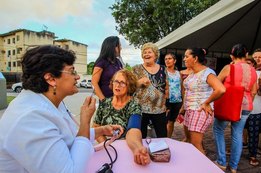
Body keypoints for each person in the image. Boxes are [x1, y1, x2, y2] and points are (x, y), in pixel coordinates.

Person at [0, 45, 123, 173]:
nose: (77, 77)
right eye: (72, 72)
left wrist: (102, 130)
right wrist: (85, 120)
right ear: (51, 79)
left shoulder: (49, 102)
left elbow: (70, 136)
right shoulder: (30, 118)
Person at [213, 44, 257, 173]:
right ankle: (233, 166)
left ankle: (221, 161)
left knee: (218, 129)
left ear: (231, 56)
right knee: (237, 134)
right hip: (246, 105)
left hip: (229, 105)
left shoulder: (229, 67)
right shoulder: (252, 70)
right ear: (246, 55)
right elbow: (254, 91)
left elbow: (216, 83)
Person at [93, 69, 151, 165]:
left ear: (130, 87)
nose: (118, 85)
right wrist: (106, 145)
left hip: (125, 150)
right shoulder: (104, 103)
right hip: (104, 149)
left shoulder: (133, 105)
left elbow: (133, 129)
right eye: (116, 81)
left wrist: (137, 147)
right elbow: (95, 126)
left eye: (122, 82)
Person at [180, 48, 225, 154]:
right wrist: (183, 107)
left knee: (196, 145)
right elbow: (188, 91)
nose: (184, 59)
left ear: (195, 58)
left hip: (199, 111)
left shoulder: (207, 73)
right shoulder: (193, 73)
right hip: (190, 110)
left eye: (187, 56)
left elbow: (221, 89)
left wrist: (206, 102)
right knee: (188, 140)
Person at [132, 42, 169, 138]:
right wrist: (139, 82)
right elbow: (129, 87)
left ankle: (161, 153)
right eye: (144, 52)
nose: (146, 54)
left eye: (149, 52)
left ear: (155, 55)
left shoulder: (163, 69)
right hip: (140, 109)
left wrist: (167, 104)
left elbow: (167, 87)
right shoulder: (136, 69)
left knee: (162, 136)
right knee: (141, 137)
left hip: (159, 109)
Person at [244, 56, 261, 166]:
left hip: (255, 110)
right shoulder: (238, 75)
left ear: (253, 65)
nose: (247, 65)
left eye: (249, 63)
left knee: (253, 134)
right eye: (245, 63)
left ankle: (253, 155)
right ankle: (236, 152)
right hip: (240, 110)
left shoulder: (260, 74)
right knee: (237, 133)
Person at [92, 36, 123, 101]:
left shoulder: (118, 62)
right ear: (112, 47)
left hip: (119, 99)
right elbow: (94, 82)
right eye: (119, 46)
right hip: (107, 99)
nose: (121, 48)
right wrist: (103, 100)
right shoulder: (101, 62)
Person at [164, 53, 183, 138]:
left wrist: (183, 102)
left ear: (174, 61)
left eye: (169, 58)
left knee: (171, 122)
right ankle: (162, 140)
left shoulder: (179, 74)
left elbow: (182, 88)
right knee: (164, 122)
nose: (167, 60)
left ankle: (168, 139)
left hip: (177, 101)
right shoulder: (162, 72)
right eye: (165, 59)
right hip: (166, 101)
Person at [180, 66, 193, 142]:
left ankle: (199, 143)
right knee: (185, 122)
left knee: (193, 125)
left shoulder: (196, 72)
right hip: (185, 97)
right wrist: (183, 102)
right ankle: (187, 138)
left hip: (193, 99)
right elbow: (182, 88)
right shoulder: (181, 72)